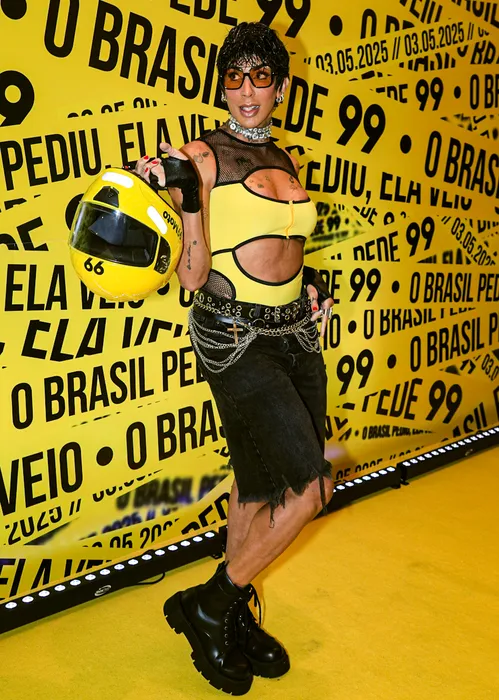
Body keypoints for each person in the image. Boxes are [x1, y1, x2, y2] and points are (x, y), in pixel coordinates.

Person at [134, 21, 335, 696]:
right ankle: (210, 604)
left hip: (295, 336)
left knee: (258, 486)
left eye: (261, 77)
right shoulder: (201, 155)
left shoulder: (286, 157)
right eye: (234, 76)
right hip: (235, 337)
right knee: (311, 489)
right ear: (222, 85)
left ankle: (229, 613)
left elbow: (283, 245)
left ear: (281, 87)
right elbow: (192, 275)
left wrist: (309, 283)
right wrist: (184, 194)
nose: (247, 91)